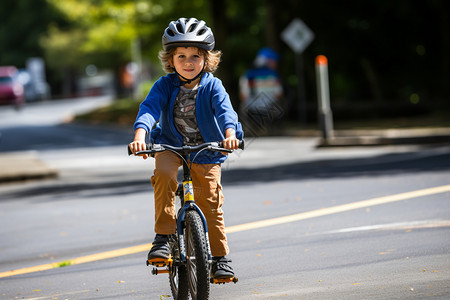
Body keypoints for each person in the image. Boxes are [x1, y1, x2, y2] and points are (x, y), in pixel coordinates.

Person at [128, 18, 243, 279]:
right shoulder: (164, 85)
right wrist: (140, 135)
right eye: (181, 56)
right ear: (171, 59)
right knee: (165, 176)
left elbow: (226, 112)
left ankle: (220, 257)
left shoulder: (213, 85)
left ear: (207, 58)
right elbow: (149, 109)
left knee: (211, 202)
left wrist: (229, 135)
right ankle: (164, 237)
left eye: (195, 56)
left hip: (208, 148)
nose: (188, 62)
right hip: (170, 143)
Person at [239, 47, 283, 127]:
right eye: (273, 61)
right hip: (269, 107)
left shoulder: (248, 74)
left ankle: (248, 127)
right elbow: (279, 94)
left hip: (251, 106)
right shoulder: (273, 75)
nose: (275, 63)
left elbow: (243, 95)